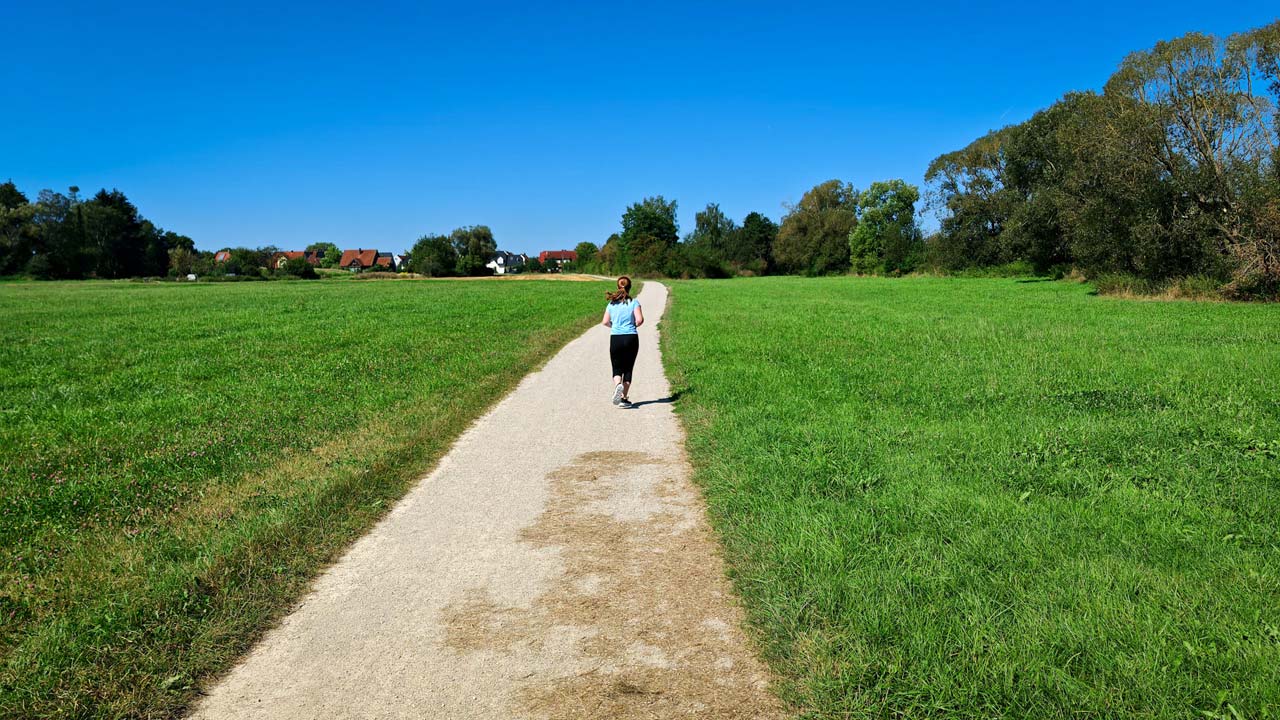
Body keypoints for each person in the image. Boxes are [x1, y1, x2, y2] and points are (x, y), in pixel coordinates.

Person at [602, 276, 644, 408]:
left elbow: (605, 322)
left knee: (617, 367)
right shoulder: (634, 302)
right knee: (628, 368)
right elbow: (640, 320)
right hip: (631, 337)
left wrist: (614, 326)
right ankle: (623, 398)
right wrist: (633, 325)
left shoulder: (611, 304)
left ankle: (617, 385)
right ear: (630, 287)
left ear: (618, 287)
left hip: (616, 337)